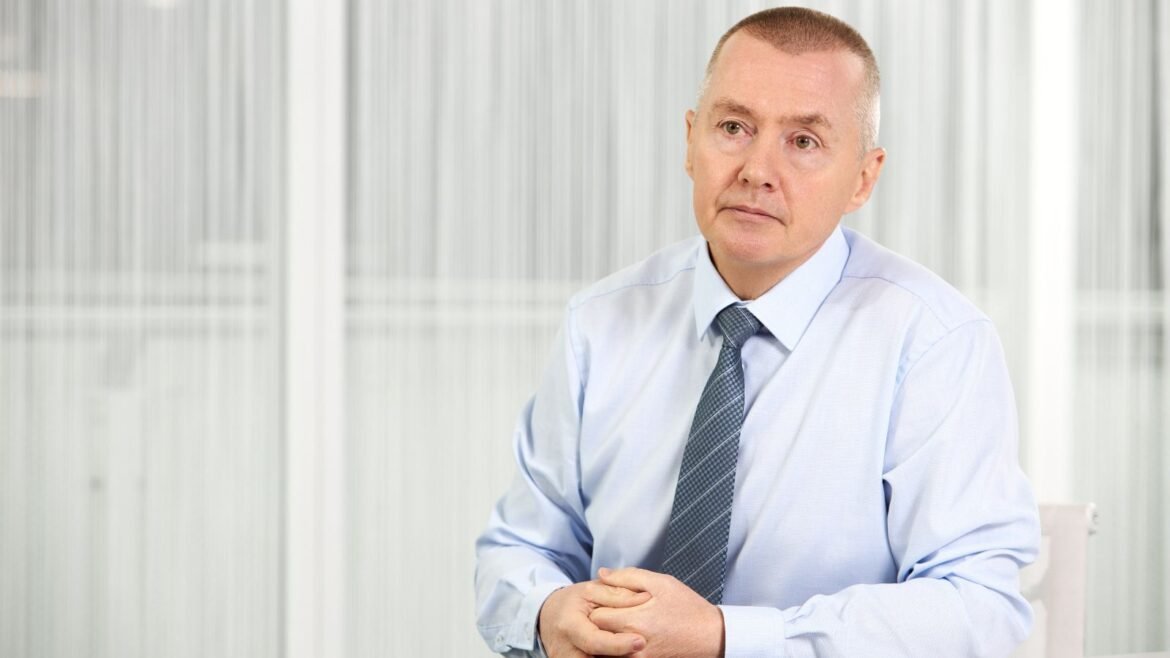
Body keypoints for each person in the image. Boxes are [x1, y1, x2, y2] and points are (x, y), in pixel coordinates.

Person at [475, 7, 1039, 658]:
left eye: (804, 141)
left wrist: (726, 638)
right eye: (734, 128)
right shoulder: (599, 324)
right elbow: (518, 549)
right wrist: (548, 611)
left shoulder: (934, 342)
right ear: (691, 141)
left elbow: (977, 608)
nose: (756, 170)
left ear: (863, 177)